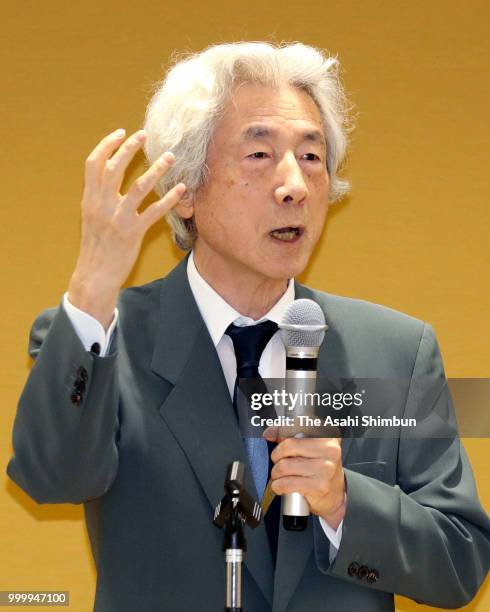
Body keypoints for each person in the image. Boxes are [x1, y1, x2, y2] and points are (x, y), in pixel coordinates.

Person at [7, 41, 489, 612]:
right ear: (184, 189)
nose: (294, 186)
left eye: (312, 157)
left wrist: (343, 503)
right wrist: (91, 287)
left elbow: (461, 562)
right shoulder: (109, 338)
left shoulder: (396, 353)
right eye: (259, 155)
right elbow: (50, 477)